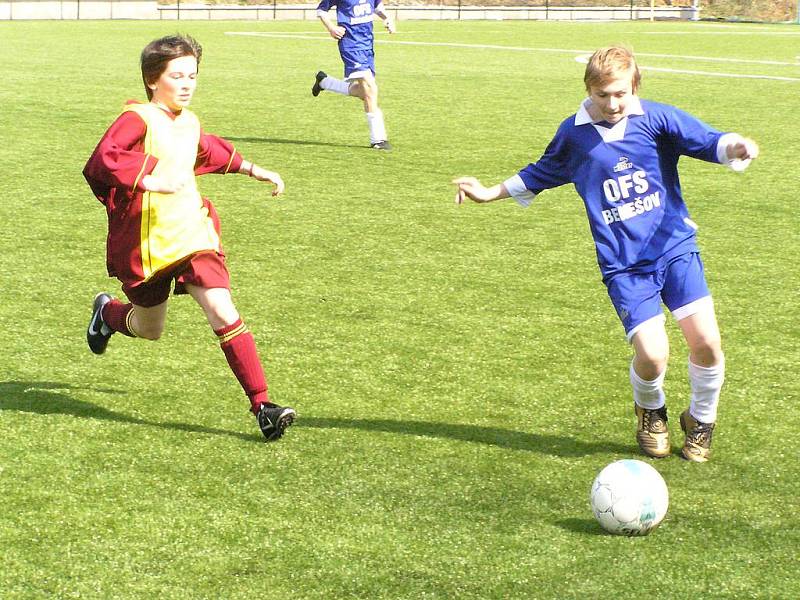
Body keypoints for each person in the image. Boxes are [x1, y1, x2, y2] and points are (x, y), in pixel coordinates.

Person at [453, 46, 759, 463]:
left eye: (620, 93)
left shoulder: (656, 119)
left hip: (674, 248)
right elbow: (540, 172)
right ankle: (651, 412)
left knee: (706, 342)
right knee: (652, 355)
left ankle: (701, 419)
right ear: (588, 90)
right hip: (624, 265)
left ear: (635, 85)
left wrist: (735, 146)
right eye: (603, 95)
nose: (613, 104)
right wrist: (489, 193)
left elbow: (707, 140)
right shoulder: (574, 135)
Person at [83, 34, 296, 442]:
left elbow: (207, 151)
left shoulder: (190, 120)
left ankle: (263, 405)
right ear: (152, 79)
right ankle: (108, 315)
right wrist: (148, 180)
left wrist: (256, 170)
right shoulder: (138, 118)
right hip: (146, 244)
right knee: (150, 329)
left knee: (222, 308)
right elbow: (102, 161)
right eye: (176, 76)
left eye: (192, 75)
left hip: (193, 232)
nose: (187, 84)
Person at [312, 0, 395, 150]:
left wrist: (386, 17)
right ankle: (378, 139)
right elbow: (321, 10)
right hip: (351, 46)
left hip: (367, 44)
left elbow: (376, 5)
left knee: (365, 92)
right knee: (370, 89)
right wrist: (331, 28)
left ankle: (324, 82)